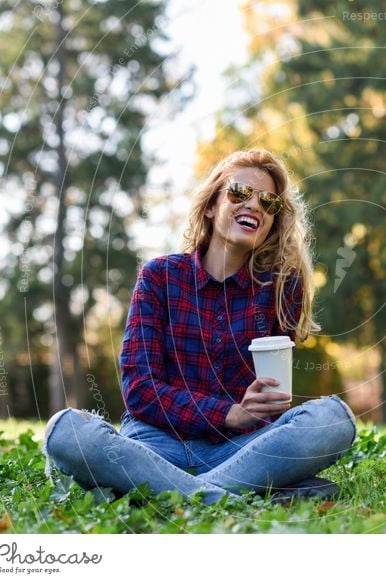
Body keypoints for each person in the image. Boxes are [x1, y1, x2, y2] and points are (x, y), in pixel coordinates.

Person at [43, 149, 357, 505]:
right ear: (211, 205)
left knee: (332, 420)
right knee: (67, 431)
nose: (254, 205)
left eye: (268, 201)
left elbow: (273, 398)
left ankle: (160, 493)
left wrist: (260, 407)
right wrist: (229, 413)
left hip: (240, 450)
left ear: (273, 219)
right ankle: (236, 496)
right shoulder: (159, 277)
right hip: (154, 445)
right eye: (240, 193)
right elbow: (140, 389)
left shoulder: (280, 288)